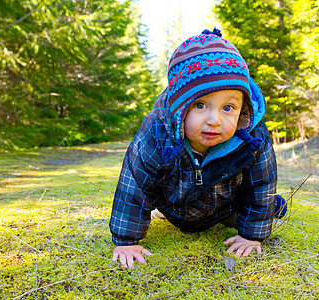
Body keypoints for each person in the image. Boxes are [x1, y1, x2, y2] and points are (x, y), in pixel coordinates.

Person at [110, 28, 287, 268]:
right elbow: (135, 183)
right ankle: (164, 213)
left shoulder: (252, 138)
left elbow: (261, 184)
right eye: (201, 105)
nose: (214, 120)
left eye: (228, 108)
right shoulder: (158, 131)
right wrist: (126, 240)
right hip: (172, 203)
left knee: (258, 205)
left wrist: (252, 235)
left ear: (242, 107)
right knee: (146, 196)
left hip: (223, 207)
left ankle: (270, 210)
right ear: (181, 105)